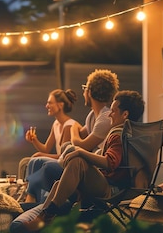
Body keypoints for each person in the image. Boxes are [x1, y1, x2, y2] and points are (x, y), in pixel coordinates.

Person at [10, 90, 144, 233]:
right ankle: (43, 221)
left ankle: (45, 218)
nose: (109, 114)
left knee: (77, 160)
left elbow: (109, 162)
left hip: (112, 189)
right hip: (108, 183)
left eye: (113, 111)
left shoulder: (119, 135)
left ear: (125, 114)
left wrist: (80, 152)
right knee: (58, 183)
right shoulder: (126, 133)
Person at [23, 69, 119, 203]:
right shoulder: (92, 116)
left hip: (95, 171)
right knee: (39, 160)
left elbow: (80, 144)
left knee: (48, 164)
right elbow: (78, 138)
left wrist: (73, 128)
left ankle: (35, 202)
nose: (83, 92)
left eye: (85, 88)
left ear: (89, 92)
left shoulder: (104, 119)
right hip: (85, 165)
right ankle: (33, 201)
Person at [20, 89, 78, 202]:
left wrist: (39, 154)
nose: (47, 106)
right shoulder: (56, 124)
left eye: (50, 103)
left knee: (36, 159)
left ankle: (30, 197)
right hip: (60, 160)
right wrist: (34, 140)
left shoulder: (69, 126)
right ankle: (31, 195)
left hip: (68, 165)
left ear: (60, 105)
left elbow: (63, 156)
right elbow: (46, 148)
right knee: (35, 158)